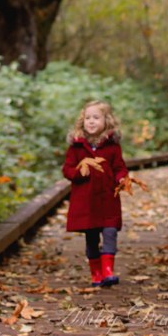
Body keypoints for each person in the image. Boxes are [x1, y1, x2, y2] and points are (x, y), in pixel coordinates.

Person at [62, 100, 130, 287]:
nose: (91, 121)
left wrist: (122, 178)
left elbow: (119, 168)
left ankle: (108, 270)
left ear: (106, 121)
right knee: (91, 237)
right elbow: (67, 169)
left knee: (110, 232)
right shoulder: (76, 146)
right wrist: (78, 172)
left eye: (96, 118)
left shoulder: (112, 146)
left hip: (107, 198)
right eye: (87, 118)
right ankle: (96, 273)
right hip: (86, 202)